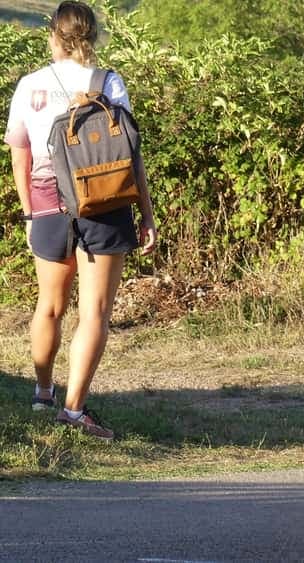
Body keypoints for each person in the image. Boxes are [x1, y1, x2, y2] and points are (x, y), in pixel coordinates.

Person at [5, 1, 156, 441]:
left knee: (49, 305)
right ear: (92, 35)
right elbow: (130, 154)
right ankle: (73, 411)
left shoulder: (29, 85)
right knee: (94, 311)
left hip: (47, 202)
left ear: (53, 34)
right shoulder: (109, 82)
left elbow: (20, 154)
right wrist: (146, 214)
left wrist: (30, 211)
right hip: (103, 202)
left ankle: (42, 392)